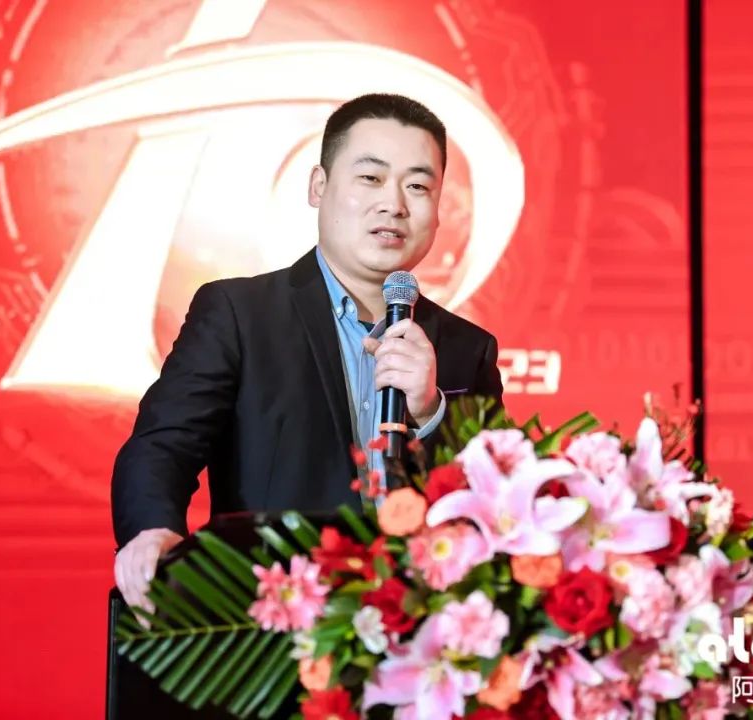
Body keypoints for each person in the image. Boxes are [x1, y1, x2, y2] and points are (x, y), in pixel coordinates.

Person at [111, 93, 503, 615]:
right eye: (371, 178)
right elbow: (164, 444)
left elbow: (495, 500)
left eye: (417, 186)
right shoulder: (240, 314)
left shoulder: (465, 348)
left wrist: (431, 412)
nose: (394, 204)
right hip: (274, 619)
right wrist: (152, 531)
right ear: (319, 186)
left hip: (422, 628)